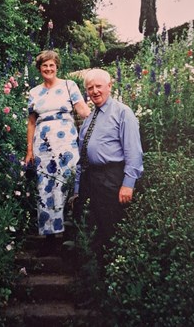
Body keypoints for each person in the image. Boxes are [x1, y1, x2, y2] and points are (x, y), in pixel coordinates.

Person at [73, 68, 143, 265]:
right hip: (90, 179)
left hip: (111, 178)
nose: (94, 91)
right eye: (90, 88)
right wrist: (78, 189)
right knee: (92, 230)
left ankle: (112, 277)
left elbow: (134, 152)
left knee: (110, 229)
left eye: (98, 86)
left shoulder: (122, 113)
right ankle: (94, 277)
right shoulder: (89, 118)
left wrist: (128, 183)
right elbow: (83, 155)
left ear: (109, 86)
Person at [25, 50, 90, 254]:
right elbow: (31, 122)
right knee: (45, 187)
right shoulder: (34, 92)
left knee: (68, 185)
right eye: (44, 66)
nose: (48, 69)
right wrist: (29, 151)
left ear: (57, 66)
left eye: (52, 65)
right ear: (39, 69)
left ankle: (69, 237)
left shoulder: (69, 86)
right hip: (43, 146)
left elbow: (84, 112)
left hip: (67, 146)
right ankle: (49, 239)